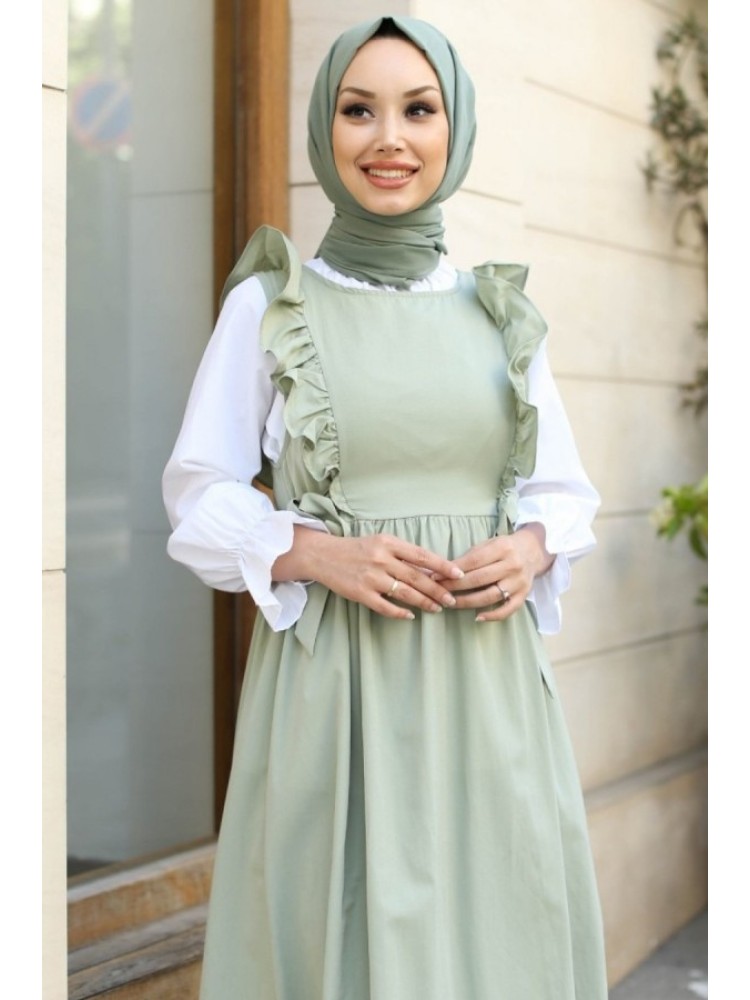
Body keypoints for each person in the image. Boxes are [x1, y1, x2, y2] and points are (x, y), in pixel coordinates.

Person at [163, 14, 608, 1000]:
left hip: (486, 690)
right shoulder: (272, 304)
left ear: (457, 129)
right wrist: (314, 551)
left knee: (500, 941)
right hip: (336, 696)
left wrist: (531, 547)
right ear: (325, 129)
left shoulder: (498, 311)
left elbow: (562, 491)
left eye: (419, 110)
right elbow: (197, 495)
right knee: (344, 946)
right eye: (359, 111)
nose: (389, 139)